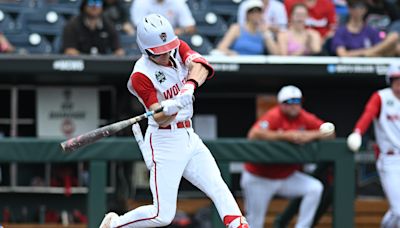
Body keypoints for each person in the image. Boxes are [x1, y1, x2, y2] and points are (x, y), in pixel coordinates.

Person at [99, 14, 249, 228]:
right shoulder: (140, 75)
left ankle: (239, 225)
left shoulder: (176, 48)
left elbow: (201, 66)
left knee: (218, 186)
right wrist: (173, 106)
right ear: (146, 50)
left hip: (189, 135)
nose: (167, 53)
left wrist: (188, 87)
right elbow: (158, 118)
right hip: (164, 140)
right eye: (159, 52)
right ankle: (115, 224)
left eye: (168, 47)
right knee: (162, 214)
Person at [242, 85, 335, 228]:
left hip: (286, 176)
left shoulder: (304, 116)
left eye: (297, 101)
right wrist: (286, 136)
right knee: (255, 222)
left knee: (314, 188)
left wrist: (308, 136)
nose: (294, 105)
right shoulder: (274, 115)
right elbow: (253, 134)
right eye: (289, 102)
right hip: (259, 177)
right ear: (281, 104)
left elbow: (330, 132)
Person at [347, 61, 400, 228]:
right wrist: (357, 132)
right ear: (390, 81)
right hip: (390, 159)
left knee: (397, 211)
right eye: (396, 80)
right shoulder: (382, 97)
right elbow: (368, 115)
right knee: (399, 211)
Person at [331, 0, 399, 57]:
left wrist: (352, 53)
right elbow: (342, 54)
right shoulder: (341, 31)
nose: (357, 10)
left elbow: (378, 53)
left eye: (360, 6)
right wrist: (365, 52)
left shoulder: (371, 31)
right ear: (349, 8)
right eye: (353, 6)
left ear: (365, 9)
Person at [130, 0, 196, 36]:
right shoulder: (140, 2)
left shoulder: (177, 2)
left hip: (173, 40)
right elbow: (140, 27)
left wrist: (181, 31)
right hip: (150, 41)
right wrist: (167, 33)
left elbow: (190, 27)